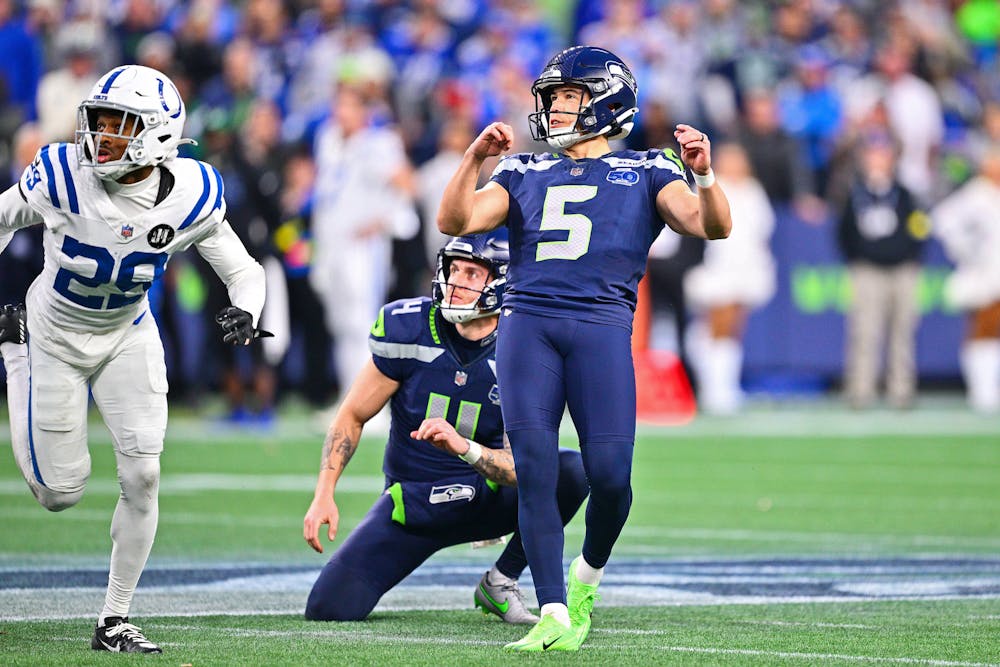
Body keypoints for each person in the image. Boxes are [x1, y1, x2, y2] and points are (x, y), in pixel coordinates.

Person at [436, 46, 732, 651]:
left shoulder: (648, 168)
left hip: (601, 327)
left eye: (568, 96)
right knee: (536, 470)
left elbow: (713, 226)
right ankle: (552, 611)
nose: (554, 108)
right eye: (552, 97)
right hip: (529, 325)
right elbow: (455, 220)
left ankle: (586, 579)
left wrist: (703, 173)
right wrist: (473, 159)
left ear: (605, 100)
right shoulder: (521, 170)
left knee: (612, 478)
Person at [0, 65, 269, 653]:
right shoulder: (62, 175)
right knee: (59, 492)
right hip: (53, 334)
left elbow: (245, 270)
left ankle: (114, 618)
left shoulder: (193, 192)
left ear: (158, 135)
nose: (100, 136)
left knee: (144, 475)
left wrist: (247, 309)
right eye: (98, 121)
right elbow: (2, 216)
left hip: (127, 332)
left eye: (118, 124)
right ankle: (13, 353)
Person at [302, 233, 589, 623]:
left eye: (472, 273)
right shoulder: (409, 327)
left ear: (503, 281)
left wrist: (464, 447)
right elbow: (352, 414)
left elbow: (522, 468)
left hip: (484, 497)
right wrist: (324, 493)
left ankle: (501, 579)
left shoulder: (523, 346)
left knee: (572, 471)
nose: (456, 282)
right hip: (414, 503)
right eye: (454, 269)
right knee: (328, 608)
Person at [836, 131, 927, 409]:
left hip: (902, 270)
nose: (877, 162)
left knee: (903, 332)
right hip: (868, 270)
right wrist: (858, 258)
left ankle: (901, 390)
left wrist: (909, 256)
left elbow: (920, 228)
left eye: (882, 156)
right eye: (873, 156)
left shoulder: (905, 194)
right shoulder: (854, 194)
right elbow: (844, 233)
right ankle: (860, 390)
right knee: (865, 331)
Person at [685, 143, 776, 414]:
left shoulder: (753, 190)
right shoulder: (708, 186)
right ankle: (715, 390)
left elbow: (763, 228)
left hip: (746, 268)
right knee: (716, 327)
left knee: (732, 329)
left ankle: (723, 387)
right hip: (716, 267)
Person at [931, 145, 1000, 413]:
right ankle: (983, 390)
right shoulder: (976, 195)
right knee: (984, 328)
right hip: (984, 273)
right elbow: (943, 221)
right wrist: (968, 250)